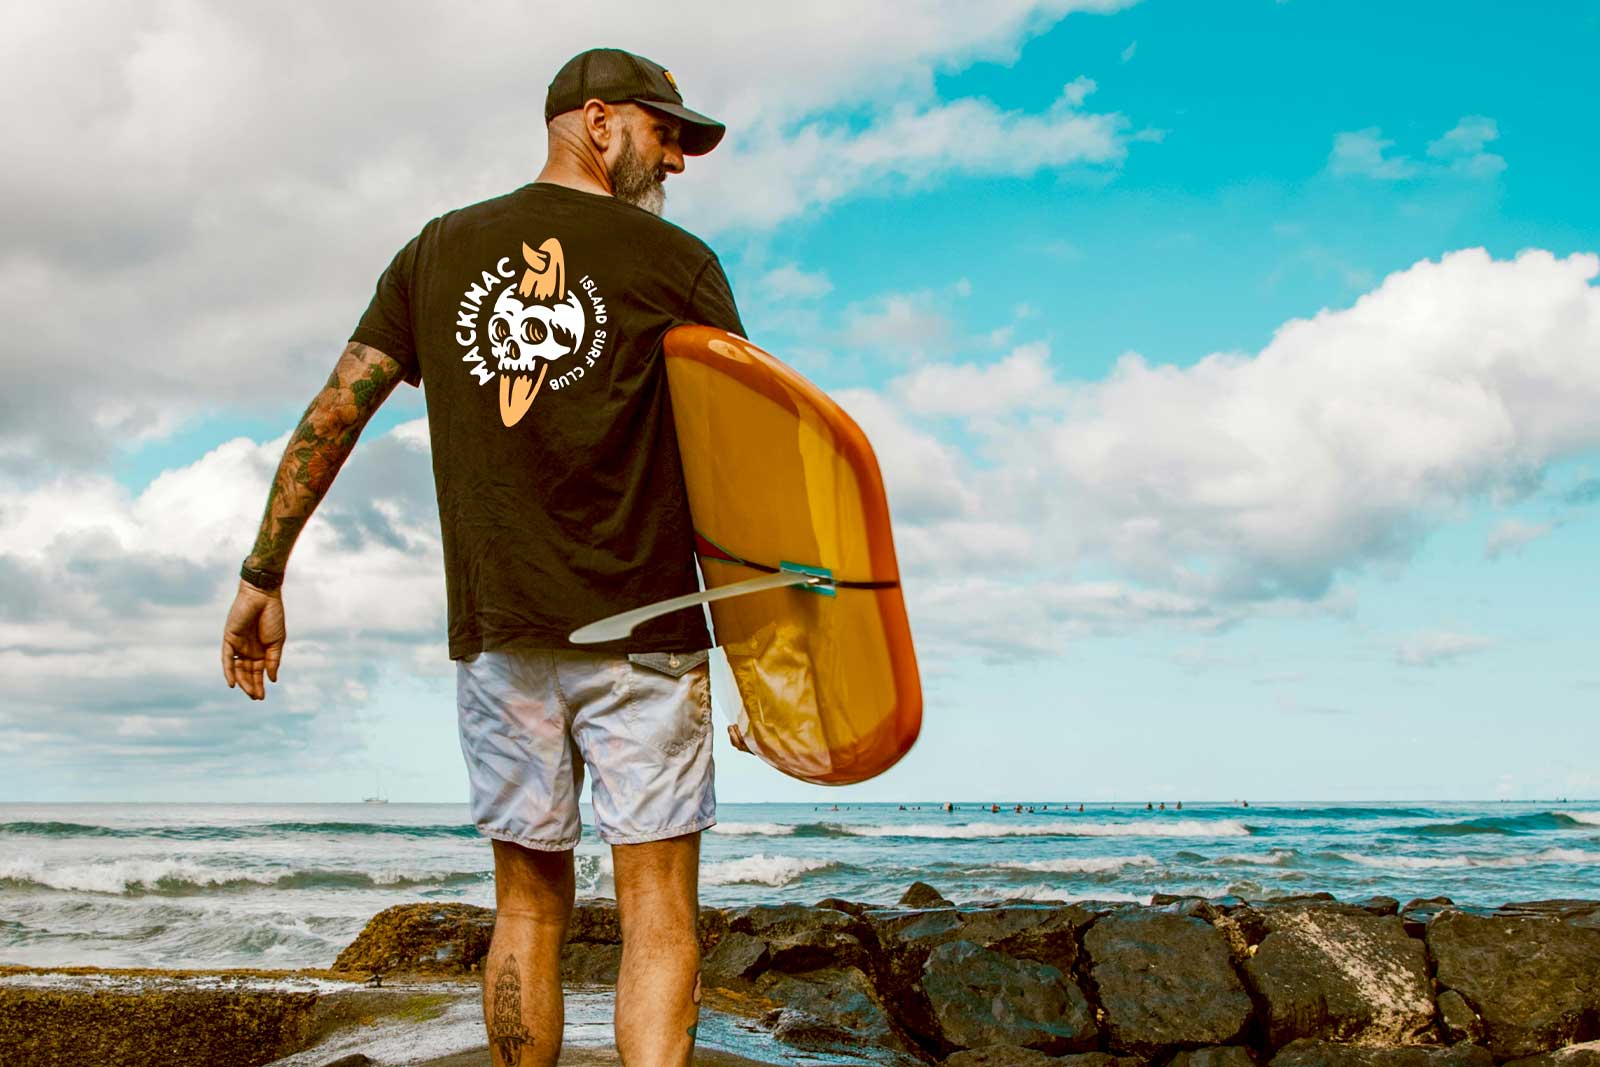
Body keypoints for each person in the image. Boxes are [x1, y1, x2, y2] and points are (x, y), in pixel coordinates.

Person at [219, 48, 741, 1067]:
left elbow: (338, 408)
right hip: (646, 628)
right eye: (663, 131)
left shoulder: (436, 251)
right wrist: (780, 657)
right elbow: (743, 460)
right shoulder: (677, 265)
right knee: (658, 904)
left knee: (529, 905)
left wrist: (262, 572)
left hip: (501, 635)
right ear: (597, 123)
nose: (674, 158)